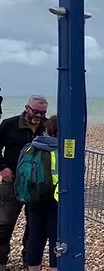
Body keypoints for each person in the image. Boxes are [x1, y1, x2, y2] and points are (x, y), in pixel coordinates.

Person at [0, 95, 48, 270]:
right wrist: (3, 167)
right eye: (35, 111)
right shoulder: (9, 124)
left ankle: (29, 260)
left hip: (38, 186)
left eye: (42, 113)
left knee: (33, 226)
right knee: (4, 224)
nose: (39, 116)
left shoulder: (47, 127)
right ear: (26, 108)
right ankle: (1, 261)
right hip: (11, 182)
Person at [21, 115, 59, 271]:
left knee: (35, 236)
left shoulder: (31, 146)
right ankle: (55, 267)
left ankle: (33, 268)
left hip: (34, 197)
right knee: (56, 238)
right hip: (56, 198)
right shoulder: (61, 149)